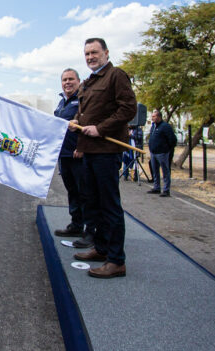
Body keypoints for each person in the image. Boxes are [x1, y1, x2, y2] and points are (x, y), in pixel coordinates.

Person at [69, 37, 137, 279]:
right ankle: (101, 248)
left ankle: (116, 260)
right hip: (89, 150)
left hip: (107, 152)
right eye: (86, 54)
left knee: (110, 207)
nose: (90, 57)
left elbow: (129, 109)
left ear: (106, 53)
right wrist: (77, 121)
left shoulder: (116, 76)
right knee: (93, 204)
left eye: (94, 52)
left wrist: (101, 128)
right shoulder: (88, 82)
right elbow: (85, 112)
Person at [52, 68, 89, 244]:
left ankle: (90, 231)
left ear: (78, 81)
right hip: (64, 155)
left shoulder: (83, 99)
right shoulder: (61, 103)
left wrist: (81, 146)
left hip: (79, 155)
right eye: (64, 79)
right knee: (73, 192)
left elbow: (89, 124)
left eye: (71, 79)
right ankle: (76, 225)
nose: (67, 82)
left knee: (85, 193)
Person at [146, 109, 177, 197]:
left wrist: (167, 149)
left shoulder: (165, 126)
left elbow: (172, 139)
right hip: (153, 152)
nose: (152, 118)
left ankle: (166, 190)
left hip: (162, 153)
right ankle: (156, 187)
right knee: (155, 171)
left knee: (165, 171)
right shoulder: (153, 126)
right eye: (152, 116)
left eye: (154, 116)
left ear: (159, 117)